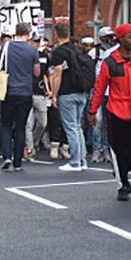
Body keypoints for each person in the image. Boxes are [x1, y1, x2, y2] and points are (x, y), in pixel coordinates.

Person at [88, 24, 131, 201]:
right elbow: (99, 88)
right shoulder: (109, 62)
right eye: (129, 37)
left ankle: (122, 170)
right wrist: (93, 111)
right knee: (118, 150)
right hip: (116, 112)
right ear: (120, 39)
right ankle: (123, 184)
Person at [0, 23, 41, 171]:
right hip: (25, 92)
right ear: (28, 33)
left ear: (16, 32)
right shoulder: (32, 50)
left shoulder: (6, 47)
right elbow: (37, 73)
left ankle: (7, 156)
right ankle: (17, 162)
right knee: (21, 126)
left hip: (8, 91)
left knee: (6, 125)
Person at [51, 22, 93, 171]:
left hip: (67, 93)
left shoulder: (59, 52)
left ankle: (75, 161)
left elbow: (57, 75)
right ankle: (82, 160)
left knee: (70, 127)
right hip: (82, 91)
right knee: (78, 127)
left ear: (56, 34)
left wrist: (54, 95)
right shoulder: (77, 49)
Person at [25, 35, 51, 159]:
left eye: (37, 41)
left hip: (40, 92)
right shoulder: (24, 55)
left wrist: (48, 89)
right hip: (26, 92)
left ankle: (33, 142)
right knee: (28, 124)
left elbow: (45, 74)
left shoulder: (44, 56)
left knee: (42, 123)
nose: (36, 43)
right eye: (34, 41)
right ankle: (30, 148)